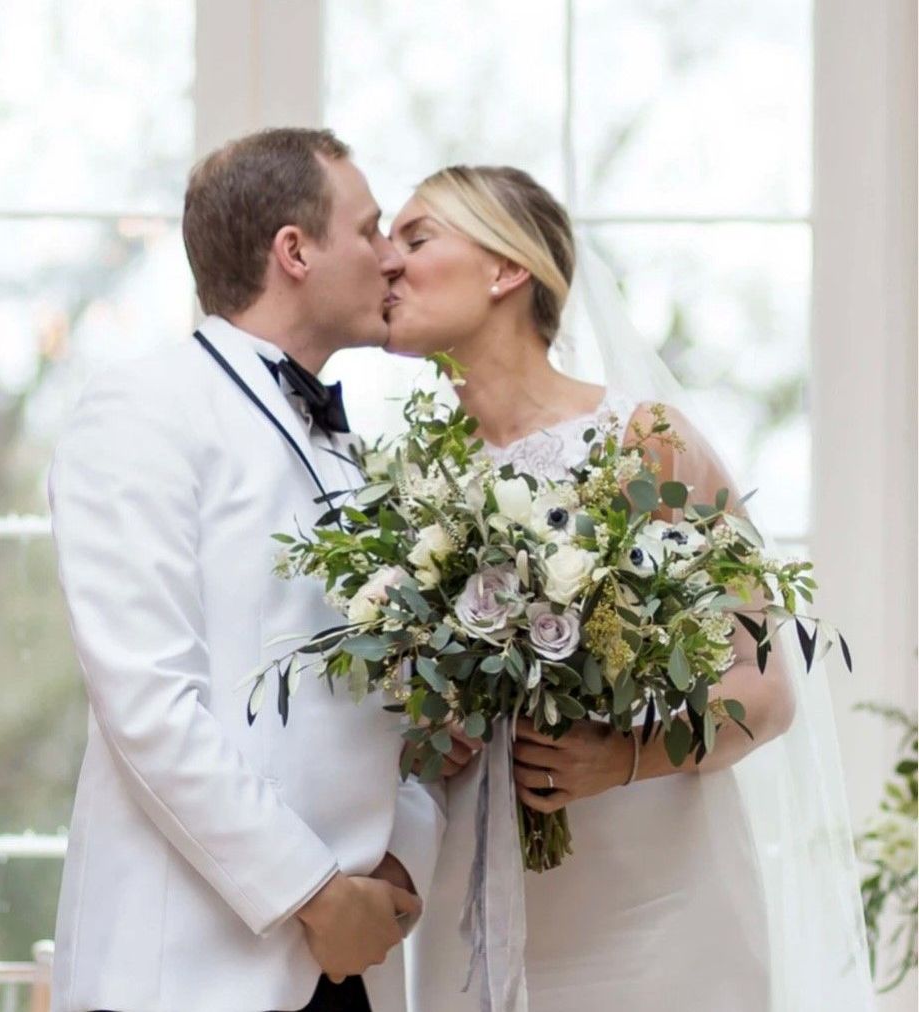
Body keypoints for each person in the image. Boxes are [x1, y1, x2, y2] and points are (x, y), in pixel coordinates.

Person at [384, 165, 872, 1011]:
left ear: (507, 270)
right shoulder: (413, 483)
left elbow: (764, 692)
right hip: (477, 912)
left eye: (417, 238)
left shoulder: (646, 441)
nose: (386, 263)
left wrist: (620, 758)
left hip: (657, 919)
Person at [47, 128, 444, 1012]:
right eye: (372, 230)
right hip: (186, 976)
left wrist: (399, 865)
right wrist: (314, 892)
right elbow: (147, 703)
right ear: (295, 251)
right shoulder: (141, 408)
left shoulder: (362, 458)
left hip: (349, 968)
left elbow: (409, 704)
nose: (392, 261)